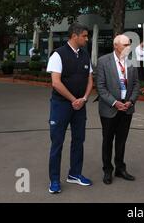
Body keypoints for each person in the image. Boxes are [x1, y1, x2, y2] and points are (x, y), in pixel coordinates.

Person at [46, 23, 94, 194]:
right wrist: (74, 100)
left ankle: (74, 174)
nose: (87, 39)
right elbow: (56, 83)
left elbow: (90, 80)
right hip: (61, 106)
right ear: (75, 35)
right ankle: (54, 180)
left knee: (78, 140)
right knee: (57, 143)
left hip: (80, 105)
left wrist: (84, 98)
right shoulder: (58, 55)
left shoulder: (85, 55)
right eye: (85, 36)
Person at [96, 34, 140, 185]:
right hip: (109, 109)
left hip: (127, 108)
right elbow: (100, 87)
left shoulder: (132, 62)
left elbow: (136, 85)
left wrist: (131, 101)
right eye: (125, 45)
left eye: (129, 45)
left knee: (121, 140)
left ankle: (120, 168)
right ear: (116, 45)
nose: (128, 48)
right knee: (108, 140)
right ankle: (107, 170)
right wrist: (114, 102)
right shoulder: (103, 61)